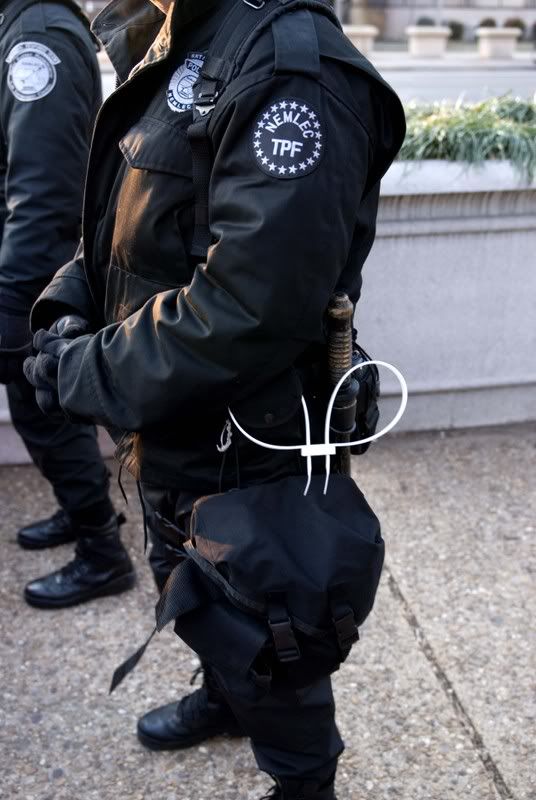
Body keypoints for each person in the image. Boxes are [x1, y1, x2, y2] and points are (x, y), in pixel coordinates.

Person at [25, 0, 405, 796]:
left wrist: (87, 372)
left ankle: (304, 782)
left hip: (246, 440)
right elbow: (128, 216)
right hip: (173, 416)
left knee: (269, 625)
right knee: (189, 581)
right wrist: (68, 304)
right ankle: (228, 697)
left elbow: (250, 306)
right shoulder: (191, 30)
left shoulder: (293, 72)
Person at [0, 0, 135, 608]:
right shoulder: (27, 22)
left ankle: (102, 553)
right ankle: (84, 513)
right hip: (32, 266)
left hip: (33, 273)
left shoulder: (38, 35)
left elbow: (45, 189)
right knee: (46, 409)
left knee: (43, 412)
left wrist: (13, 295)